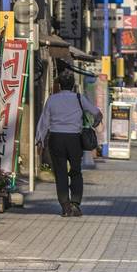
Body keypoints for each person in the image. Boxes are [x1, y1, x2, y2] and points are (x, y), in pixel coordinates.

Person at [35, 73, 99, 217]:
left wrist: (39, 139)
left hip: (56, 138)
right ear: (73, 85)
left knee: (60, 173)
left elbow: (44, 121)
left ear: (59, 85)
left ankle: (65, 206)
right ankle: (75, 203)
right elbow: (96, 113)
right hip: (74, 139)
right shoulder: (79, 98)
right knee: (76, 171)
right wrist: (94, 124)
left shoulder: (52, 99)